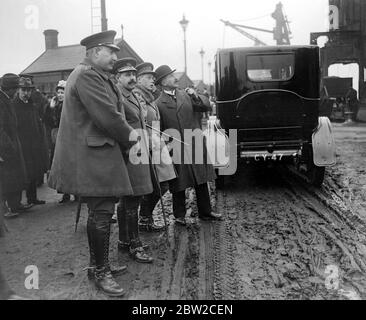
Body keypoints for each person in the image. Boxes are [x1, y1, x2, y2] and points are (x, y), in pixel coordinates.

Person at [48, 30, 137, 297]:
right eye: (111, 52)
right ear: (96, 51)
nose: (114, 57)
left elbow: (113, 111)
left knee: (100, 212)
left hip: (95, 155)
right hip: (93, 157)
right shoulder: (87, 75)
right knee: (101, 213)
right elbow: (107, 116)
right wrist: (133, 137)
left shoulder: (92, 74)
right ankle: (100, 272)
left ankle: (99, 265)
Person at [155, 65, 222, 225]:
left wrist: (196, 96)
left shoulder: (186, 94)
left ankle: (206, 212)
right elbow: (159, 130)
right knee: (179, 182)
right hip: (176, 145)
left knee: (201, 178)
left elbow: (206, 106)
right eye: (171, 76)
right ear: (163, 82)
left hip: (195, 143)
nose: (175, 78)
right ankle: (179, 215)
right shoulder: (158, 103)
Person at [113, 58, 154, 263]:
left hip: (140, 151)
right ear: (117, 78)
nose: (131, 78)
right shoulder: (118, 97)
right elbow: (118, 126)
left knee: (128, 200)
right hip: (129, 153)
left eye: (133, 75)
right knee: (131, 200)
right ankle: (134, 244)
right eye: (126, 75)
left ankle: (124, 241)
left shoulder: (133, 96)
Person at [133, 62, 176, 232]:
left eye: (153, 78)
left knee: (162, 184)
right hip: (147, 147)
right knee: (156, 185)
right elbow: (140, 121)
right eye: (149, 78)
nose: (153, 81)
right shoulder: (138, 96)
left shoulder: (149, 96)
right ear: (139, 80)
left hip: (158, 145)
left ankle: (145, 216)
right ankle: (144, 218)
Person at [12, 77, 47, 206]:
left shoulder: (32, 105)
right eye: (24, 90)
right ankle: (16, 203)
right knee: (23, 173)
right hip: (22, 144)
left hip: (34, 144)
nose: (26, 93)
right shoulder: (14, 106)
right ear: (18, 90)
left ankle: (32, 198)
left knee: (34, 171)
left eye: (28, 90)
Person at [0, 74, 30, 217]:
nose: (18, 91)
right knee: (7, 179)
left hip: (11, 143)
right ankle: (6, 209)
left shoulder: (6, 99)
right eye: (16, 88)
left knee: (15, 177)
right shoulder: (1, 101)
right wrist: (8, 147)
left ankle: (15, 205)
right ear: (10, 89)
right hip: (5, 147)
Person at [44, 80, 72, 204]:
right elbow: (47, 121)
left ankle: (76, 193)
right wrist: (50, 108)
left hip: (69, 138)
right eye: (59, 92)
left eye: (63, 92)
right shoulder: (53, 106)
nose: (60, 94)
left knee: (72, 165)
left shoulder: (70, 104)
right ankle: (65, 193)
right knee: (61, 166)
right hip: (57, 138)